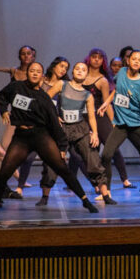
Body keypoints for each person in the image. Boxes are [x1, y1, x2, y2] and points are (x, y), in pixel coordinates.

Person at [0, 62, 97, 215]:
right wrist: (3, 111)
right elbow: (1, 96)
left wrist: (62, 146)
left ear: (42, 75)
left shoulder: (43, 97)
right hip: (21, 137)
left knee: (62, 168)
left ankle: (85, 200)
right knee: (5, 170)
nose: (34, 73)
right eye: (32, 71)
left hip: (40, 135)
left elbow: (54, 123)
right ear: (27, 73)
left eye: (38, 71)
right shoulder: (16, 87)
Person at [37, 61, 115, 206]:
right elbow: (45, 99)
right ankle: (45, 196)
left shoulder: (87, 95)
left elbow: (91, 116)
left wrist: (95, 133)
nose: (80, 71)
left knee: (93, 159)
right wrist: (54, 116)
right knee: (52, 161)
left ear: (86, 75)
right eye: (77, 69)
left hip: (80, 128)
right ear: (72, 72)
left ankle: (105, 194)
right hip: (61, 129)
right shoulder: (62, 85)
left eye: (83, 70)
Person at [97, 50, 140, 195]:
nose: (136, 61)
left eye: (139, 60)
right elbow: (117, 90)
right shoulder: (122, 72)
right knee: (106, 155)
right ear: (128, 61)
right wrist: (106, 103)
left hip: (139, 124)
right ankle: (106, 191)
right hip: (122, 124)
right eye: (133, 59)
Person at [84, 48, 134, 189]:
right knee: (89, 153)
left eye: (100, 58)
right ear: (89, 58)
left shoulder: (103, 80)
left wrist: (113, 123)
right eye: (94, 56)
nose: (96, 60)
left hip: (101, 118)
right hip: (85, 118)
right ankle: (97, 183)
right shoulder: (82, 76)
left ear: (103, 61)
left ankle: (124, 179)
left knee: (112, 148)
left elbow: (107, 104)